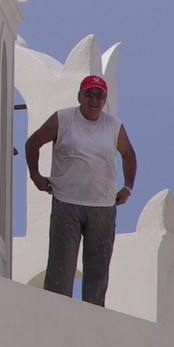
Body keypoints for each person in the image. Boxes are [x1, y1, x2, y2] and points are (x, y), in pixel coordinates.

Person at [24, 74, 138, 306]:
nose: (94, 100)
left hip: (102, 207)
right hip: (67, 203)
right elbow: (33, 143)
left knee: (98, 270)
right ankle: (55, 313)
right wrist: (35, 176)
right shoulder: (63, 118)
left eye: (99, 95)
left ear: (105, 99)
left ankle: (93, 319)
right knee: (60, 266)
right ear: (80, 96)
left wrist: (128, 187)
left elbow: (129, 154)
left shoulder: (114, 126)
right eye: (89, 94)